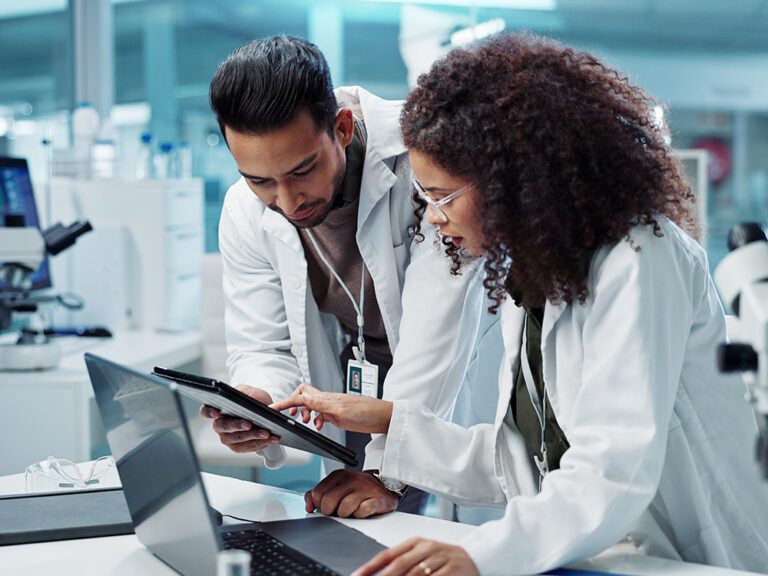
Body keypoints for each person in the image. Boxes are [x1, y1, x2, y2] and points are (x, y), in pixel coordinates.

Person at [272, 33, 768, 575]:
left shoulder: (639, 256)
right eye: (425, 197)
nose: (432, 217)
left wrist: (480, 554)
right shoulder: (531, 272)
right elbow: (525, 462)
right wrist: (391, 420)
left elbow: (611, 469)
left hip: (699, 556)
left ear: (515, 181)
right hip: (608, 551)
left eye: (442, 197)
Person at [203, 35, 499, 516]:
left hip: (455, 370)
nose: (286, 201)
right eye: (259, 179)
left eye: (302, 170)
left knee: (464, 528)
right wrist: (256, 402)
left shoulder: (424, 157)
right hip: (361, 377)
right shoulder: (244, 209)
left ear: (342, 128)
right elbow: (263, 345)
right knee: (363, 529)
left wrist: (388, 474)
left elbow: (437, 332)